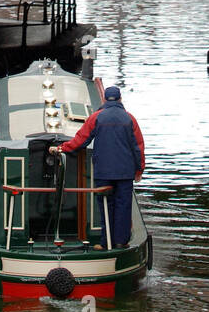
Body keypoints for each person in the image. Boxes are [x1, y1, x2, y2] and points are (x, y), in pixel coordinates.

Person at [50, 86, 145, 249]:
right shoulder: (130, 119)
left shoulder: (96, 117)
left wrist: (61, 148)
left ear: (104, 100)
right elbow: (138, 147)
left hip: (104, 171)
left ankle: (105, 242)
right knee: (123, 206)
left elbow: (80, 140)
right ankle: (121, 242)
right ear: (120, 99)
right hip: (125, 172)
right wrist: (139, 170)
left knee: (106, 205)